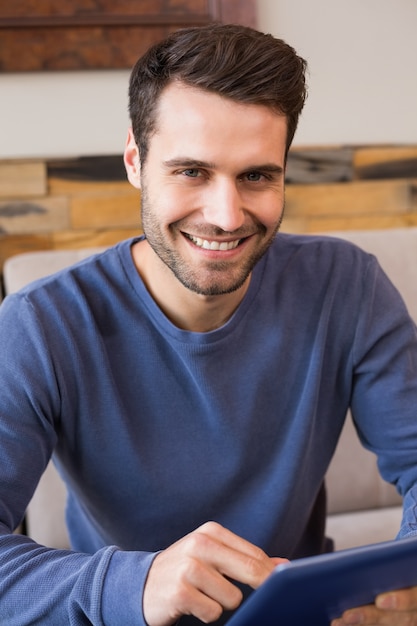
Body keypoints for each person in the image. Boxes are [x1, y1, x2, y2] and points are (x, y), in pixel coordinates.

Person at [0, 23, 416, 626]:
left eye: (256, 176)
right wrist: (137, 583)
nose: (225, 216)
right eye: (191, 171)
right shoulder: (38, 326)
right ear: (135, 162)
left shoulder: (348, 286)